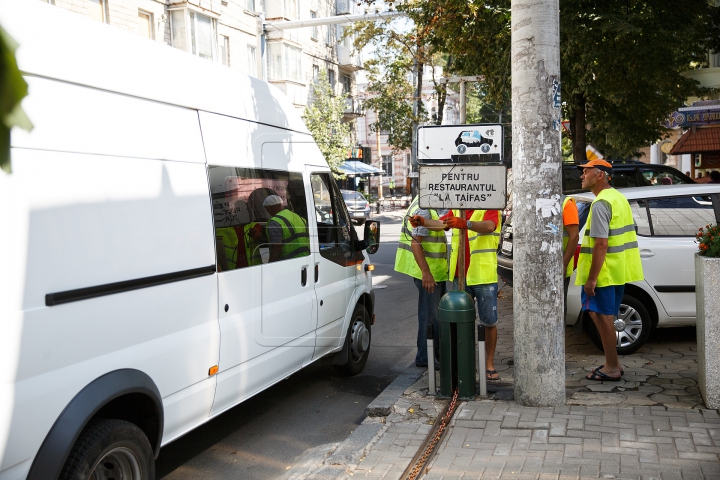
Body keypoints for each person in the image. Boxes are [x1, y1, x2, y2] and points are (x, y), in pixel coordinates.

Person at [575, 159, 644, 381]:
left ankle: (612, 367)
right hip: (617, 271)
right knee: (601, 315)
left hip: (604, 274)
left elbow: (601, 244)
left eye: (587, 172)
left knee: (602, 317)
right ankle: (612, 363)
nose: (582, 176)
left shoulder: (601, 203)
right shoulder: (619, 198)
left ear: (601, 175)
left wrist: (592, 279)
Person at [420, 207, 502, 381]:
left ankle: (489, 364)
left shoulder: (489, 206)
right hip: (460, 275)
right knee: (459, 322)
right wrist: (423, 222)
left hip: (483, 276)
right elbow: (441, 224)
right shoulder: (457, 209)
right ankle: (462, 363)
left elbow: (489, 226)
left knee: (489, 321)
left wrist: (466, 223)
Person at [396, 197, 448, 369]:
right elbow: (416, 243)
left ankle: (433, 356)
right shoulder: (424, 206)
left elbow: (442, 226)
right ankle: (426, 358)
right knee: (430, 317)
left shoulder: (424, 202)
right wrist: (426, 273)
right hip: (428, 272)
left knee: (433, 316)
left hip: (434, 271)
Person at [263, 195, 310, 263]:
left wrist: (269, 267)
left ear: (269, 208)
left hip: (289, 263)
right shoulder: (298, 217)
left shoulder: (275, 222)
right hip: (305, 259)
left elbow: (276, 250)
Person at [562, 196, 581, 307]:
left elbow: (574, 236)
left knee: (558, 310)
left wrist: (563, 264)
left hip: (559, 267)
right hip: (541, 268)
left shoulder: (566, 203)